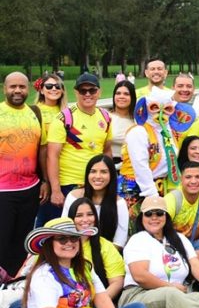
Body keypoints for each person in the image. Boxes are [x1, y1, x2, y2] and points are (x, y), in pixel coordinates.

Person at [22, 217, 146, 308]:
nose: (69, 243)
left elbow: (101, 298)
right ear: (49, 244)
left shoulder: (84, 266)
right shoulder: (44, 275)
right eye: (62, 239)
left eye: (74, 237)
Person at [43, 73, 112, 227]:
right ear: (76, 93)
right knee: (67, 230)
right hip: (69, 185)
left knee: (94, 229)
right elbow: (52, 156)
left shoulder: (105, 117)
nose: (87, 94)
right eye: (83, 91)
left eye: (92, 90)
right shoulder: (64, 119)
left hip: (96, 184)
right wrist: (55, 190)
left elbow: (107, 151)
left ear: (99, 92)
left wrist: (110, 181)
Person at [119, 88, 196, 222]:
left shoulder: (169, 131)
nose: (161, 113)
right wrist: (152, 195)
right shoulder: (139, 132)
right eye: (155, 108)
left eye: (167, 109)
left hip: (161, 187)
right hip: (135, 188)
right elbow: (140, 166)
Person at [0, 72, 47, 275]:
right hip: (3, 191)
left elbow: (43, 149)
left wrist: (44, 181)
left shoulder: (35, 113)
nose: (17, 90)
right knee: (3, 240)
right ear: (4, 88)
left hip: (30, 189)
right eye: (13, 86)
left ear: (28, 89)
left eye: (22, 86)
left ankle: (14, 284)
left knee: (23, 242)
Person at [62, 155, 129, 248]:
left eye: (103, 172)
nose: (98, 176)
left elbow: (119, 242)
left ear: (112, 175)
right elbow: (64, 229)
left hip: (105, 254)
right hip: (73, 251)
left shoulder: (119, 203)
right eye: (93, 171)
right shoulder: (73, 197)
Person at [68, 198, 126, 300]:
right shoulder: (62, 246)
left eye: (90, 214)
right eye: (79, 215)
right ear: (71, 219)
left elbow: (117, 282)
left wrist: (98, 304)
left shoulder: (105, 245)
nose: (85, 220)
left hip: (100, 305)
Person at [108, 80, 136, 164]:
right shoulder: (106, 117)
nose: (121, 96)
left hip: (132, 166)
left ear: (132, 97)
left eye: (126, 94)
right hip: (110, 164)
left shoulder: (137, 121)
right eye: (118, 93)